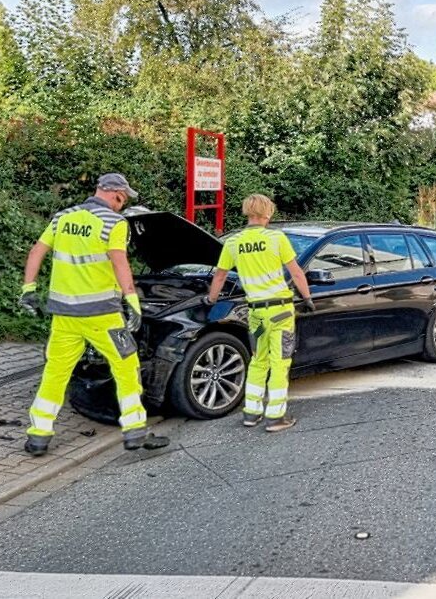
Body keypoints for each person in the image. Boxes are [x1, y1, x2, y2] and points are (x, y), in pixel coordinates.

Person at [19, 173, 169, 456]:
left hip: (64, 316)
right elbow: (119, 262)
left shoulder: (63, 217)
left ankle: (38, 436)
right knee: (126, 368)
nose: (121, 205)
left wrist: (29, 289)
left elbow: (37, 250)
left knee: (55, 373)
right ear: (117, 195)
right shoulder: (114, 222)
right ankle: (135, 431)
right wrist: (133, 301)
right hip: (103, 315)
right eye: (123, 200)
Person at [205, 194, 315, 432]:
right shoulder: (276, 238)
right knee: (280, 362)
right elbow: (296, 273)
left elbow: (220, 276)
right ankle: (276, 417)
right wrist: (307, 298)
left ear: (247, 212)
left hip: (255, 313)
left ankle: (251, 413)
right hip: (280, 311)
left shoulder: (233, 242)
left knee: (258, 361)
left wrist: (211, 299)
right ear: (268, 213)